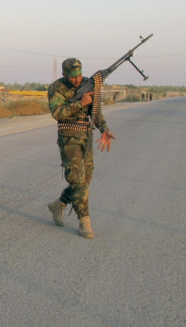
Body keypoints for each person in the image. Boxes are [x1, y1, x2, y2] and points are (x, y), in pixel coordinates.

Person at [46, 58, 114, 239]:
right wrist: (80, 103)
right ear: (64, 75)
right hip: (69, 139)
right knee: (78, 181)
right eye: (72, 77)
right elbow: (57, 113)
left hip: (86, 137)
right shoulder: (56, 88)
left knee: (85, 180)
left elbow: (96, 112)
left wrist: (105, 129)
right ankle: (84, 220)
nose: (77, 80)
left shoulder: (88, 84)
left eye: (79, 76)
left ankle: (59, 204)